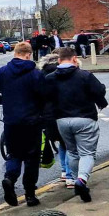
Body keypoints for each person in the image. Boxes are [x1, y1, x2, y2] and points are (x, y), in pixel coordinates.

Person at [0, 41, 45, 207]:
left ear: (15, 53)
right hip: (32, 122)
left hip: (11, 122)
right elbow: (44, 95)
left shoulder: (3, 72)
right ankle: (30, 195)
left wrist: (2, 100)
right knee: (32, 158)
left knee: (14, 154)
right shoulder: (35, 74)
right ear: (28, 55)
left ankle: (9, 179)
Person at [45, 47, 107, 202]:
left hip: (62, 120)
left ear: (59, 60)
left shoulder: (50, 78)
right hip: (84, 118)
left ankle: (73, 180)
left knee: (72, 152)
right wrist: (100, 102)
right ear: (74, 59)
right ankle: (82, 180)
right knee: (87, 153)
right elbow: (99, 91)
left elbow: (45, 99)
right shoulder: (84, 75)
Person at [39, 51, 74, 187]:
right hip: (64, 113)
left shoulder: (42, 75)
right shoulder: (66, 74)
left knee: (61, 143)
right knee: (69, 145)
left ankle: (64, 172)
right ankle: (69, 176)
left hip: (48, 116)